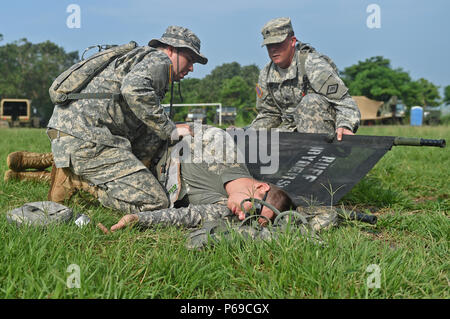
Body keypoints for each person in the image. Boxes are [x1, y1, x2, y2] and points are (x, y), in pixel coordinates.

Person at [45, 26, 207, 214]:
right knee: (156, 202)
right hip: (88, 140)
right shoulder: (159, 60)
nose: (192, 68)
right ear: (171, 49)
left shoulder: (140, 58)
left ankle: (131, 175)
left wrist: (165, 128)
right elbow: (134, 90)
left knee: (154, 134)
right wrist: (170, 129)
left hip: (74, 133)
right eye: (190, 59)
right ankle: (80, 182)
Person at [110, 125, 295, 232]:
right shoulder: (224, 152)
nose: (241, 216)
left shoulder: (223, 209)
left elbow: (182, 216)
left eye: (249, 219)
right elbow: (183, 130)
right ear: (261, 187)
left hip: (141, 179)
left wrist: (137, 219)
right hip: (143, 147)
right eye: (252, 210)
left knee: (153, 202)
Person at [250, 17, 360, 141]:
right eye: (269, 45)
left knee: (310, 102)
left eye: (278, 44)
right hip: (291, 134)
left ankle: (317, 156)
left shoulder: (312, 64)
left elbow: (346, 103)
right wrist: (249, 134)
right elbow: (269, 114)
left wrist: (345, 125)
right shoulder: (266, 74)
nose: (273, 49)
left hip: (326, 137)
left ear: (292, 41)